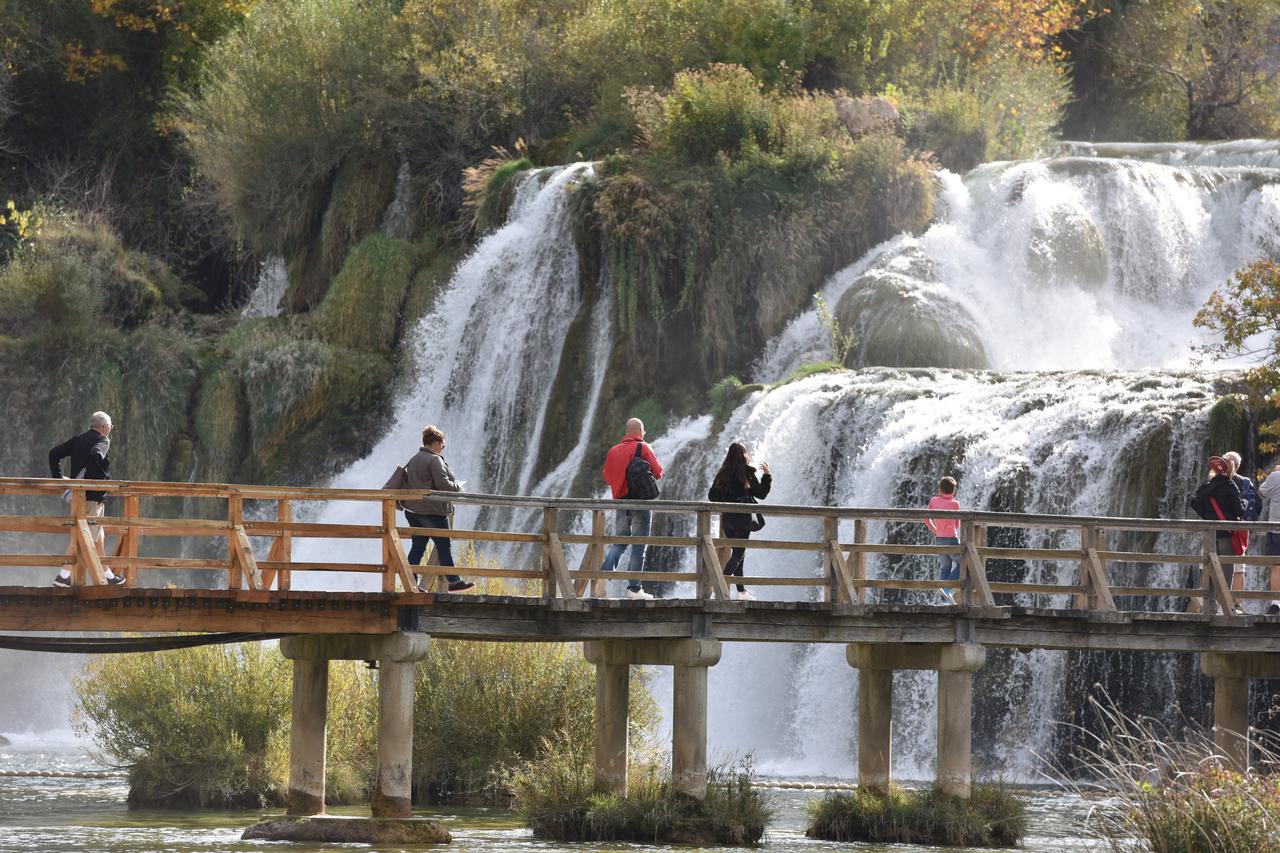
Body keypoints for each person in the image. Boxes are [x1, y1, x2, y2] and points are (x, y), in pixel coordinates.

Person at [48, 411, 125, 586]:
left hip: (79, 496)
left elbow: (54, 453)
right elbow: (95, 455)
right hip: (92, 498)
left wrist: (58, 478)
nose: (111, 430)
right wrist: (91, 479)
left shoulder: (78, 439)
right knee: (85, 537)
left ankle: (108, 576)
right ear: (104, 427)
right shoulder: (103, 440)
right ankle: (63, 575)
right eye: (111, 427)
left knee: (99, 537)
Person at [401, 425, 474, 592]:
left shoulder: (415, 458)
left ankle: (410, 582)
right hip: (432, 511)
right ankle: (454, 582)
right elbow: (442, 484)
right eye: (442, 445)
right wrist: (458, 488)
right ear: (435, 443)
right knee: (444, 546)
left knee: (418, 547)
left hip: (413, 511)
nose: (442, 448)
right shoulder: (434, 460)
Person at [600, 418, 663, 600]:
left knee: (620, 542)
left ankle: (604, 574)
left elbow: (608, 478)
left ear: (626, 432)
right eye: (643, 432)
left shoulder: (613, 451)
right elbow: (658, 472)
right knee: (639, 546)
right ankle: (634, 589)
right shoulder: (643, 447)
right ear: (640, 432)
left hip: (620, 504)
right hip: (639, 503)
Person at [708, 442, 771, 601]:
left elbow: (712, 496)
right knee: (738, 554)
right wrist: (766, 476)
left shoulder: (722, 473)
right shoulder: (746, 473)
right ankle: (718, 587)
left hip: (728, 520)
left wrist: (727, 500)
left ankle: (742, 592)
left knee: (738, 554)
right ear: (744, 455)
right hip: (742, 520)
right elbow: (761, 494)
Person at [1190, 455, 1246, 612]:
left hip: (1210, 535)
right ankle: (1225, 607)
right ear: (1231, 470)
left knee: (1210, 568)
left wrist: (1207, 516)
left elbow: (1194, 502)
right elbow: (1239, 511)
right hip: (1226, 535)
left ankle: (1210, 606)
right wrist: (1243, 504)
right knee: (1227, 570)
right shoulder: (1230, 486)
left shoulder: (1206, 486)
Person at [924, 477, 961, 605]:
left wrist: (935, 530)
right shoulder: (955, 504)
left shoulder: (934, 500)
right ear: (954, 491)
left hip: (939, 539)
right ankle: (947, 588)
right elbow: (957, 524)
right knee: (964, 564)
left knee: (945, 567)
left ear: (940, 489)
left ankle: (944, 600)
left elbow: (926, 519)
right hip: (951, 539)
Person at [1257, 460, 1280, 615]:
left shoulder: (1275, 476)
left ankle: (1275, 603)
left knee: (1277, 567)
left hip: (1276, 527)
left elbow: (1261, 492)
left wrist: (1274, 474)